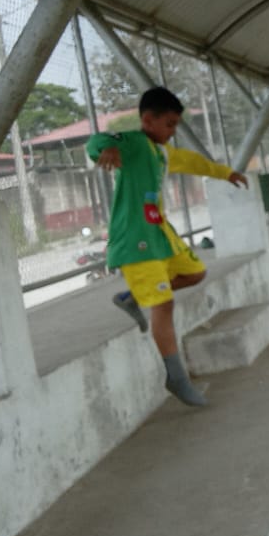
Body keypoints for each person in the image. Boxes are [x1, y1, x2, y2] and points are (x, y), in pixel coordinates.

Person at [88, 85, 248, 408]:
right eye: (169, 124)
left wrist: (225, 173)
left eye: (176, 125)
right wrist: (106, 149)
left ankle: (133, 297)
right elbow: (96, 142)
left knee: (195, 272)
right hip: (136, 240)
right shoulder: (134, 143)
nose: (173, 131)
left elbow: (191, 161)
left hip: (160, 235)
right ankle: (176, 378)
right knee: (164, 305)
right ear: (148, 120)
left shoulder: (161, 152)